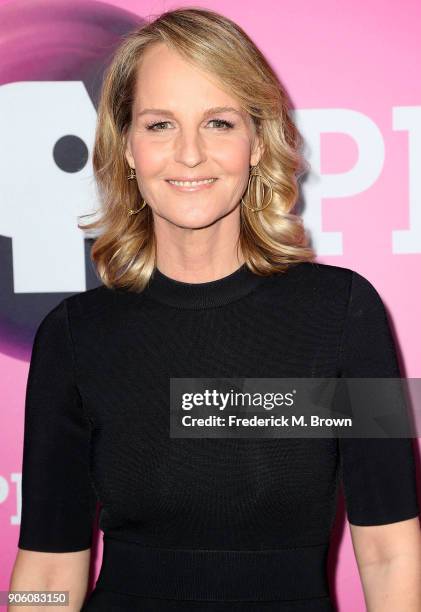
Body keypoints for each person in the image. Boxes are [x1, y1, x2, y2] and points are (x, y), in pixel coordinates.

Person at [9, 7, 421, 612]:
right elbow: (45, 569)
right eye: (160, 125)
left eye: (220, 122)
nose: (191, 154)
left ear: (257, 143)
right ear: (126, 145)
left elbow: (389, 550)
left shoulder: (344, 312)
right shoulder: (72, 337)